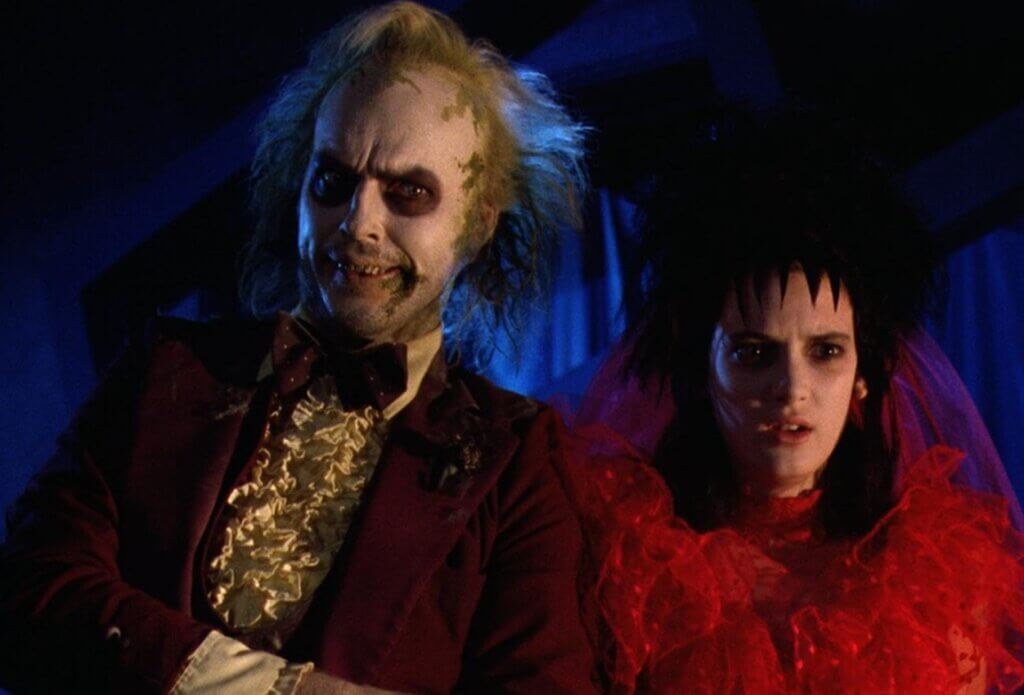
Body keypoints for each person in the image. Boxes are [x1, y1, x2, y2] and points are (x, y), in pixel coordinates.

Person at [0, 3, 596, 693]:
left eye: (409, 193)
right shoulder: (165, 367)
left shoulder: (514, 462)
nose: (358, 223)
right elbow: (27, 588)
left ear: (478, 223)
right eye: (333, 182)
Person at [569, 109, 1024, 693]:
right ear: (702, 367)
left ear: (865, 374)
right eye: (755, 353)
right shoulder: (632, 565)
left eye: (826, 351)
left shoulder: (931, 577)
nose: (791, 387)